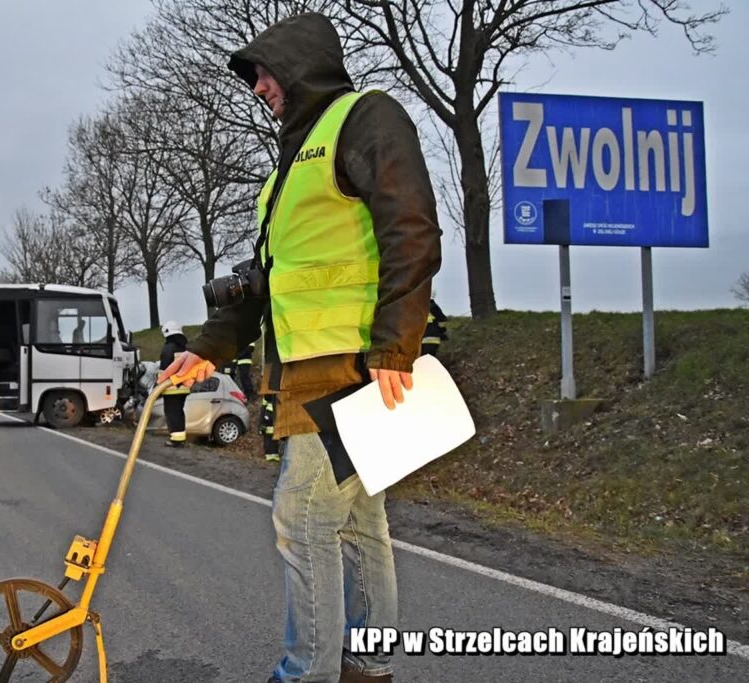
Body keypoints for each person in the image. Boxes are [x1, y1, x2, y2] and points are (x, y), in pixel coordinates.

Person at [160, 12, 441, 682]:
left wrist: (395, 345)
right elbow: (264, 284)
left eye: (264, 74)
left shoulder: (365, 117)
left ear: (298, 62)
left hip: (351, 366)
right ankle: (366, 663)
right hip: (305, 368)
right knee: (357, 522)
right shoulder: (284, 174)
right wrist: (207, 348)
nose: (259, 89)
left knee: (302, 517)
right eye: (255, 79)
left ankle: (304, 671)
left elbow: (413, 229)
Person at [158, 321, 190, 448]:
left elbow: (164, 370)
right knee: (179, 412)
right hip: (184, 387)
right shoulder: (185, 347)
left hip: (171, 387)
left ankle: (176, 440)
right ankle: (180, 438)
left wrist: (158, 386)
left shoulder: (169, 347)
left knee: (171, 412)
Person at [260, 394, 281, 463]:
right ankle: (272, 455)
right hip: (269, 419)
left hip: (271, 418)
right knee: (270, 439)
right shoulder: (269, 396)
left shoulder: (270, 396)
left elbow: (263, 409)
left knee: (271, 439)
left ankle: (273, 455)